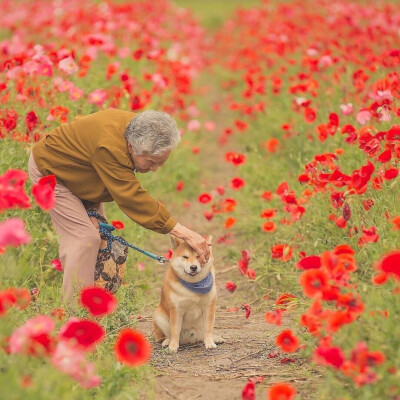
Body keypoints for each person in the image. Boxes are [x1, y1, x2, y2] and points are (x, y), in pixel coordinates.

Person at [28, 108, 210, 302]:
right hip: (53, 174)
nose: (155, 169)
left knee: (101, 238)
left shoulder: (142, 128)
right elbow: (131, 197)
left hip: (83, 175)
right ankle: (75, 313)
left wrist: (89, 209)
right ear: (131, 147)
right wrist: (181, 231)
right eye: (151, 162)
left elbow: (90, 165)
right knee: (84, 239)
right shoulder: (111, 148)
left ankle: (96, 303)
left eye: (161, 163)